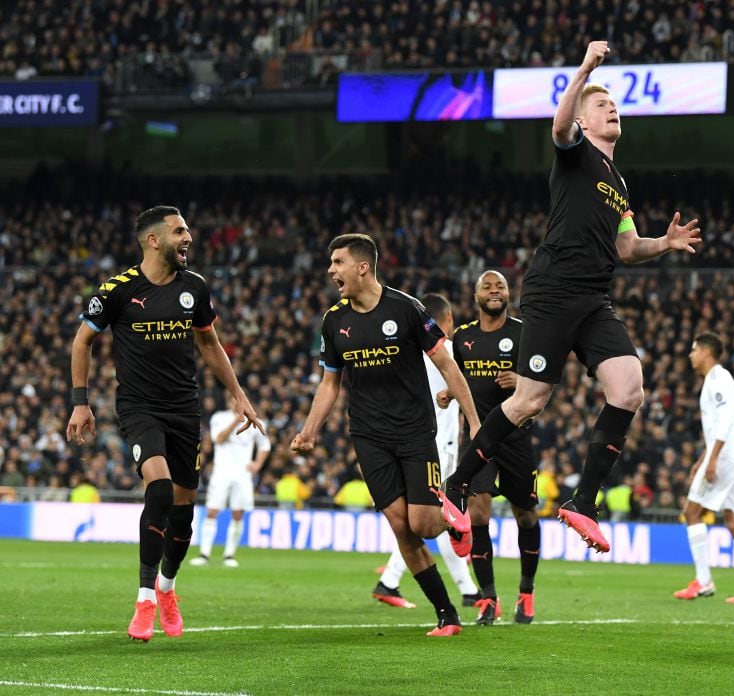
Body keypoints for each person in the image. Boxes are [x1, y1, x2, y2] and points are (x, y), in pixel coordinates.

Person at [443, 40, 702, 554]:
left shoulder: (618, 184)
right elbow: (559, 127)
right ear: (585, 120)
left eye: (616, 106)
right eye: (603, 105)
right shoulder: (575, 151)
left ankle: (584, 502)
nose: (613, 110)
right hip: (554, 287)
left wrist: (665, 244)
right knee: (530, 399)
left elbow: (627, 248)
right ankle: (457, 483)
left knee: (630, 388)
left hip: (593, 297)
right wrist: (586, 69)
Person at [66, 205, 264, 642]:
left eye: (188, 230)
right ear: (153, 240)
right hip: (139, 408)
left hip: (184, 410)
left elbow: (209, 343)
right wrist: (80, 403)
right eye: (179, 232)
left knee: (184, 514)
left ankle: (168, 588)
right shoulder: (117, 290)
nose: (188, 238)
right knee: (157, 487)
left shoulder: (195, 287)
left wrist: (238, 393)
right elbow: (82, 341)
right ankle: (144, 600)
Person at [291, 233, 482, 637]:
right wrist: (309, 431)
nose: (331, 271)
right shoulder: (334, 321)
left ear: (363, 267)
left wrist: (475, 420)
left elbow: (447, 366)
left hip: (414, 432)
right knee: (401, 527)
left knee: (425, 525)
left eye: (338, 262)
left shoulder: (407, 309)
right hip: (368, 435)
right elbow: (330, 384)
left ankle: (454, 518)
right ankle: (447, 614)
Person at [372, 292, 481, 611]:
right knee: (440, 519)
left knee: (426, 520)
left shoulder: (405, 350)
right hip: (438, 448)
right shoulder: (446, 349)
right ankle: (390, 580)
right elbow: (472, 387)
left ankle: (467, 589)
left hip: (406, 443)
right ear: (446, 320)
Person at [452, 270, 542, 625]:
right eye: (487, 286)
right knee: (477, 516)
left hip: (516, 436)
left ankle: (527, 592)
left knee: (526, 515)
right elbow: (455, 376)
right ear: (475, 295)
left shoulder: (525, 334)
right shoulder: (462, 337)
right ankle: (489, 598)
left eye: (500, 286)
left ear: (508, 294)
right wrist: (449, 393)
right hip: (477, 437)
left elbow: (546, 381)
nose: (494, 291)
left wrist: (522, 380)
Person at [673, 332, 734, 604]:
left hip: (726, 456)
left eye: (693, 350)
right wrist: (703, 459)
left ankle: (703, 581)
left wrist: (712, 460)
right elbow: (721, 426)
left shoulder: (718, 379)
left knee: (691, 511)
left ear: (705, 352)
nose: (691, 355)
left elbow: (728, 419)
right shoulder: (716, 380)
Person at [189, 396, 272, 567]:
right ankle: (204, 554)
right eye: (234, 401)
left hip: (242, 475)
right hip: (222, 472)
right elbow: (219, 439)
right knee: (212, 511)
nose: (236, 404)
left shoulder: (256, 422)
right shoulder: (219, 418)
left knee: (238, 514)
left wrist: (258, 464)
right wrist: (236, 419)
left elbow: (265, 445)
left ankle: (229, 555)